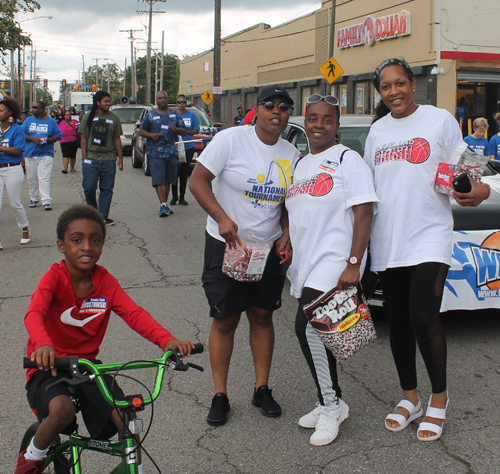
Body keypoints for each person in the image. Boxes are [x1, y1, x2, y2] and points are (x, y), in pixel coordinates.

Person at [14, 204, 195, 474]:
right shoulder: (54, 278)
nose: (87, 246)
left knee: (128, 419)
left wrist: (167, 341)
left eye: (95, 240)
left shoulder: (106, 281)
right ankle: (31, 458)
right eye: (77, 240)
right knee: (62, 410)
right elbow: (34, 313)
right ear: (62, 246)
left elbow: (134, 314)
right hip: (49, 366)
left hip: (89, 368)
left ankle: (135, 468)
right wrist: (42, 343)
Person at [364, 58, 491, 442]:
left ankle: (439, 397)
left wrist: (476, 190)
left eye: (400, 83)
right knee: (398, 321)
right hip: (388, 238)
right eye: (386, 87)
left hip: (429, 234)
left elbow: (467, 170)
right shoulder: (377, 132)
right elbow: (369, 191)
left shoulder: (440, 120)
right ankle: (410, 399)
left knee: (424, 317)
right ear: (380, 93)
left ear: (412, 84)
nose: (394, 92)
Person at [189, 85, 300, 426]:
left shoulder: (291, 154)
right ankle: (220, 395)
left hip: (266, 249)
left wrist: (286, 233)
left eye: (284, 106)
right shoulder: (231, 140)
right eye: (270, 105)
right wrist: (222, 218)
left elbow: (288, 204)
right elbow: (198, 181)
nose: (277, 111)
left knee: (262, 316)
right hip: (228, 244)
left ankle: (261, 388)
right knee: (225, 319)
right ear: (258, 108)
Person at [285, 94, 379, 446]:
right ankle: (331, 399)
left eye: (327, 119)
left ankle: (330, 404)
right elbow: (300, 210)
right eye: (313, 118)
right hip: (307, 259)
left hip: (337, 258)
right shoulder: (300, 163)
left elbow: (364, 211)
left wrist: (354, 262)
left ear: (337, 125)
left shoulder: (347, 159)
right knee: (312, 331)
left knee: (309, 326)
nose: (319, 124)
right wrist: (286, 237)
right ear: (305, 122)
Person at [79, 90, 123, 226]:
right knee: (89, 187)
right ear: (98, 102)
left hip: (108, 158)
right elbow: (84, 138)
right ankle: (93, 212)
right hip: (91, 158)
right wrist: (85, 157)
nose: (108, 104)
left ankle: (103, 216)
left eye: (109, 101)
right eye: (105, 101)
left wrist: (120, 158)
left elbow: (117, 139)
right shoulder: (88, 117)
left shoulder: (114, 118)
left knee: (107, 189)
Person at [139, 90, 186, 217]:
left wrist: (176, 129)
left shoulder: (175, 115)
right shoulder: (150, 115)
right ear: (156, 100)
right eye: (160, 98)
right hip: (155, 153)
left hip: (171, 152)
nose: (162, 100)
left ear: (167, 99)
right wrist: (151, 135)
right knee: (159, 179)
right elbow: (141, 131)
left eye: (164, 98)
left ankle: (164, 204)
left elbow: (183, 131)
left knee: (168, 180)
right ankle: (163, 204)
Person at [0, 98, 30, 250]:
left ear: (10, 112)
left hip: (13, 168)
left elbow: (17, 151)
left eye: (1, 110)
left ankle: (25, 229)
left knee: (14, 203)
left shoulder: (17, 129)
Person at [22, 101, 62, 211]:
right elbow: (22, 134)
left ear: (42, 109)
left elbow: (58, 135)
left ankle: (46, 201)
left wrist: (47, 140)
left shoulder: (51, 121)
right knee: (32, 178)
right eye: (32, 107)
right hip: (30, 154)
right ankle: (34, 198)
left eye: (35, 107)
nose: (32, 109)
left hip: (46, 154)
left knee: (44, 178)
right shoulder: (28, 120)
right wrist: (33, 139)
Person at [171, 94, 199, 206]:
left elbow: (196, 130)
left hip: (188, 146)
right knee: (174, 172)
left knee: (184, 173)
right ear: (176, 104)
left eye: (183, 102)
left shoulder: (191, 115)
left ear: (186, 103)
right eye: (179, 102)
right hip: (175, 147)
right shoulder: (173, 115)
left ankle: (182, 197)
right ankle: (174, 197)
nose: (181, 104)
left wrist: (184, 132)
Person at [58, 110, 80, 174]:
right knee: (65, 154)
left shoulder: (76, 122)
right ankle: (65, 168)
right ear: (64, 116)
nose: (68, 116)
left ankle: (72, 168)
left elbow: (80, 130)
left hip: (74, 140)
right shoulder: (61, 123)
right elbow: (58, 131)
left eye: (69, 114)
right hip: (64, 141)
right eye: (67, 115)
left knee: (73, 155)